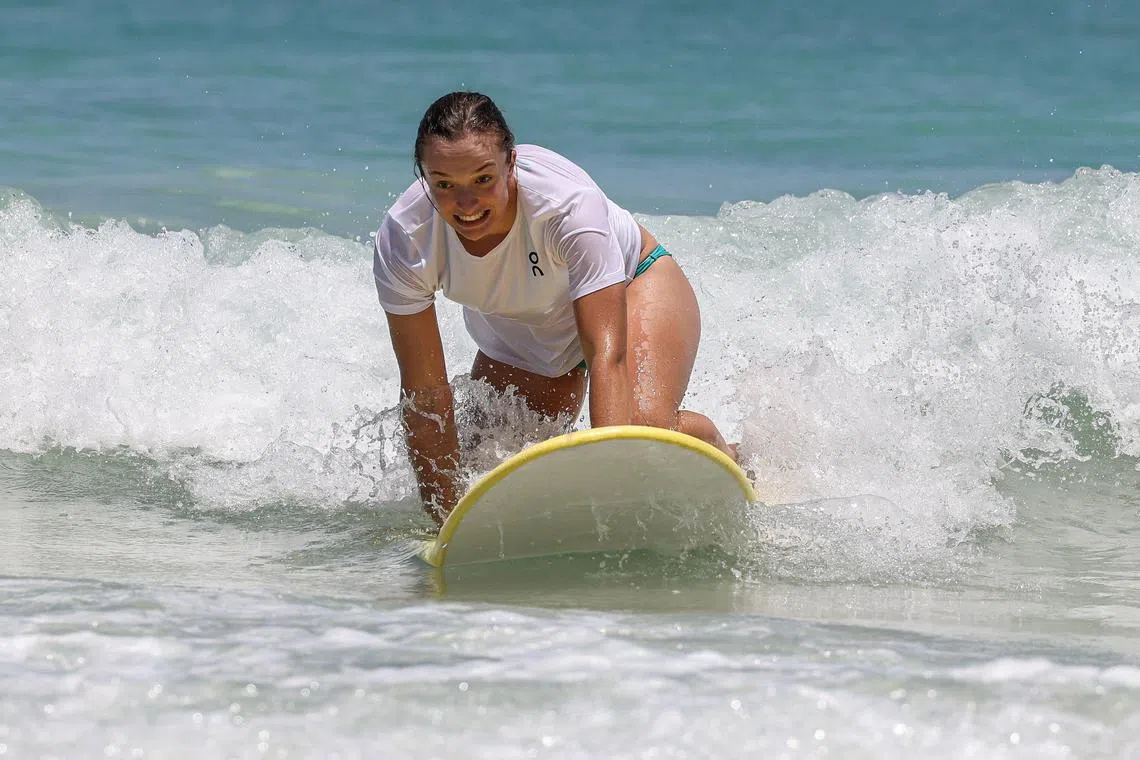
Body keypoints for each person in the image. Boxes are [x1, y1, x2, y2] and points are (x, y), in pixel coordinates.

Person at [373, 91, 735, 525]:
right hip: (524, 328)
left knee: (643, 431)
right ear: (425, 177)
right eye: (445, 185)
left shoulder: (565, 206)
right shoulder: (405, 238)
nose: (466, 205)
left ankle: (727, 451)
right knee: (486, 461)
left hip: (633, 283)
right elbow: (425, 393)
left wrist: (610, 501)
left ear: (511, 164)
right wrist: (444, 522)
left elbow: (608, 356)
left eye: (483, 179)